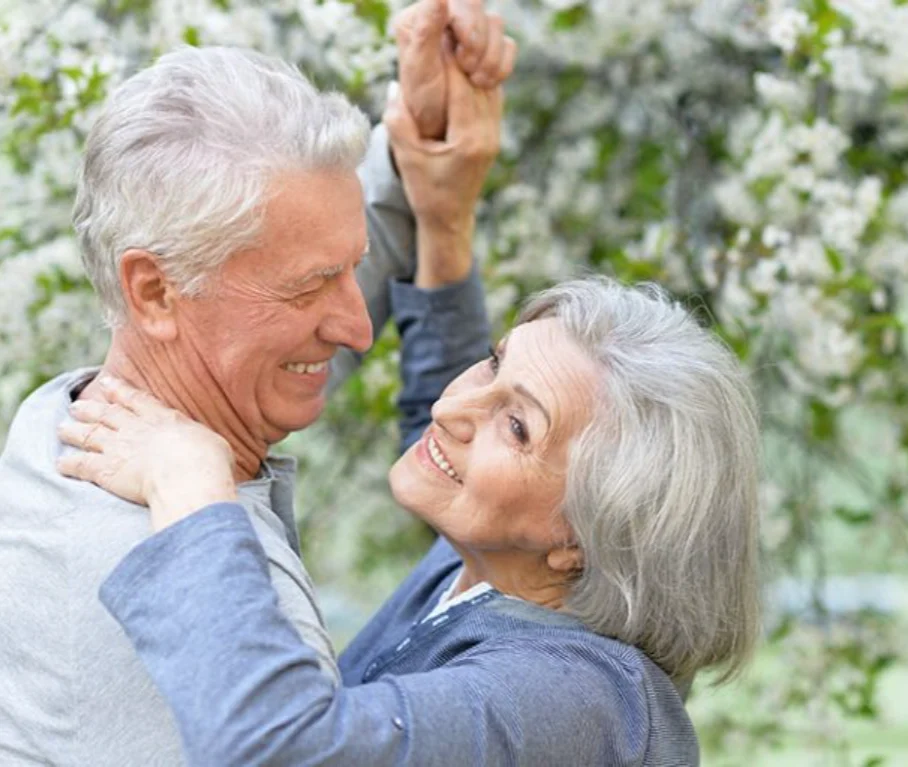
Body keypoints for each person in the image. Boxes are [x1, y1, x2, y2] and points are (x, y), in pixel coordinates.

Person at [56, 78, 763, 764]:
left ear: (584, 533)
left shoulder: (585, 702)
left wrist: (190, 485)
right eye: (492, 363)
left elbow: (280, 751)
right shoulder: (492, 566)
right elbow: (456, 439)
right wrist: (444, 219)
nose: (454, 408)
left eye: (517, 426)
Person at [0, 0, 514, 762]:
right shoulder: (217, 617)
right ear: (154, 290)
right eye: (310, 288)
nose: (357, 327)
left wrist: (420, 137)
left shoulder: (81, 414)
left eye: (353, 268)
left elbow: (289, 245)